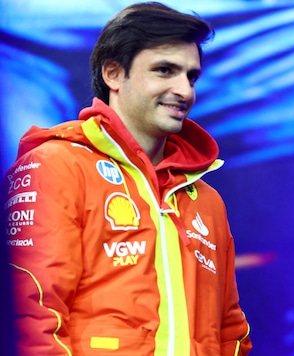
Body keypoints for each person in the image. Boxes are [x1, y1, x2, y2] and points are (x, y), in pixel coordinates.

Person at [3, 2, 252, 355]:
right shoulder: (55, 165)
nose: (184, 91)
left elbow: (231, 332)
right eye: (165, 70)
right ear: (113, 74)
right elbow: (31, 315)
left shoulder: (206, 199)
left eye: (191, 76)